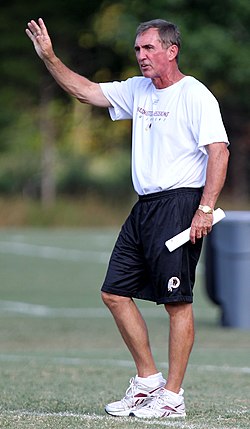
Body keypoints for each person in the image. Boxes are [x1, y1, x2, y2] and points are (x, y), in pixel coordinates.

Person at [26, 18, 229, 419]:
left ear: (171, 50)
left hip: (180, 205)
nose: (141, 56)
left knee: (176, 302)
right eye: (138, 50)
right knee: (114, 292)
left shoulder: (195, 95)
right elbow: (85, 92)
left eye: (149, 48)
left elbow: (219, 151)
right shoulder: (136, 90)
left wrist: (205, 208)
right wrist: (49, 57)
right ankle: (148, 381)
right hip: (145, 207)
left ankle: (172, 398)